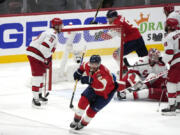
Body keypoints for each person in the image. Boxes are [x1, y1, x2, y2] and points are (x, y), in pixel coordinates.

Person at [70, 55, 118, 130]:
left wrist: (90, 80)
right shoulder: (87, 65)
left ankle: (83, 123)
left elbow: (102, 87)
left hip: (105, 94)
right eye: (92, 63)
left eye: (96, 64)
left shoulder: (104, 72)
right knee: (82, 101)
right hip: (93, 88)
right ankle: (76, 120)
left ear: (99, 64)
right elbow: (83, 66)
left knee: (91, 112)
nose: (93, 66)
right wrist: (79, 72)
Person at [26, 18, 63, 108]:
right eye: (61, 25)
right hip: (35, 55)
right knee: (37, 77)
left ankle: (38, 95)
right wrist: (47, 58)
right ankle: (35, 99)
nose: (62, 27)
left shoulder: (50, 32)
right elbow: (44, 47)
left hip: (38, 55)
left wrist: (47, 58)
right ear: (56, 26)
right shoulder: (52, 35)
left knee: (41, 75)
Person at [161, 18, 180, 116]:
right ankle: (179, 105)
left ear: (169, 26)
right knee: (179, 82)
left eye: (166, 24)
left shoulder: (169, 37)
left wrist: (162, 60)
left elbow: (169, 53)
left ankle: (172, 107)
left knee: (171, 83)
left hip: (177, 63)